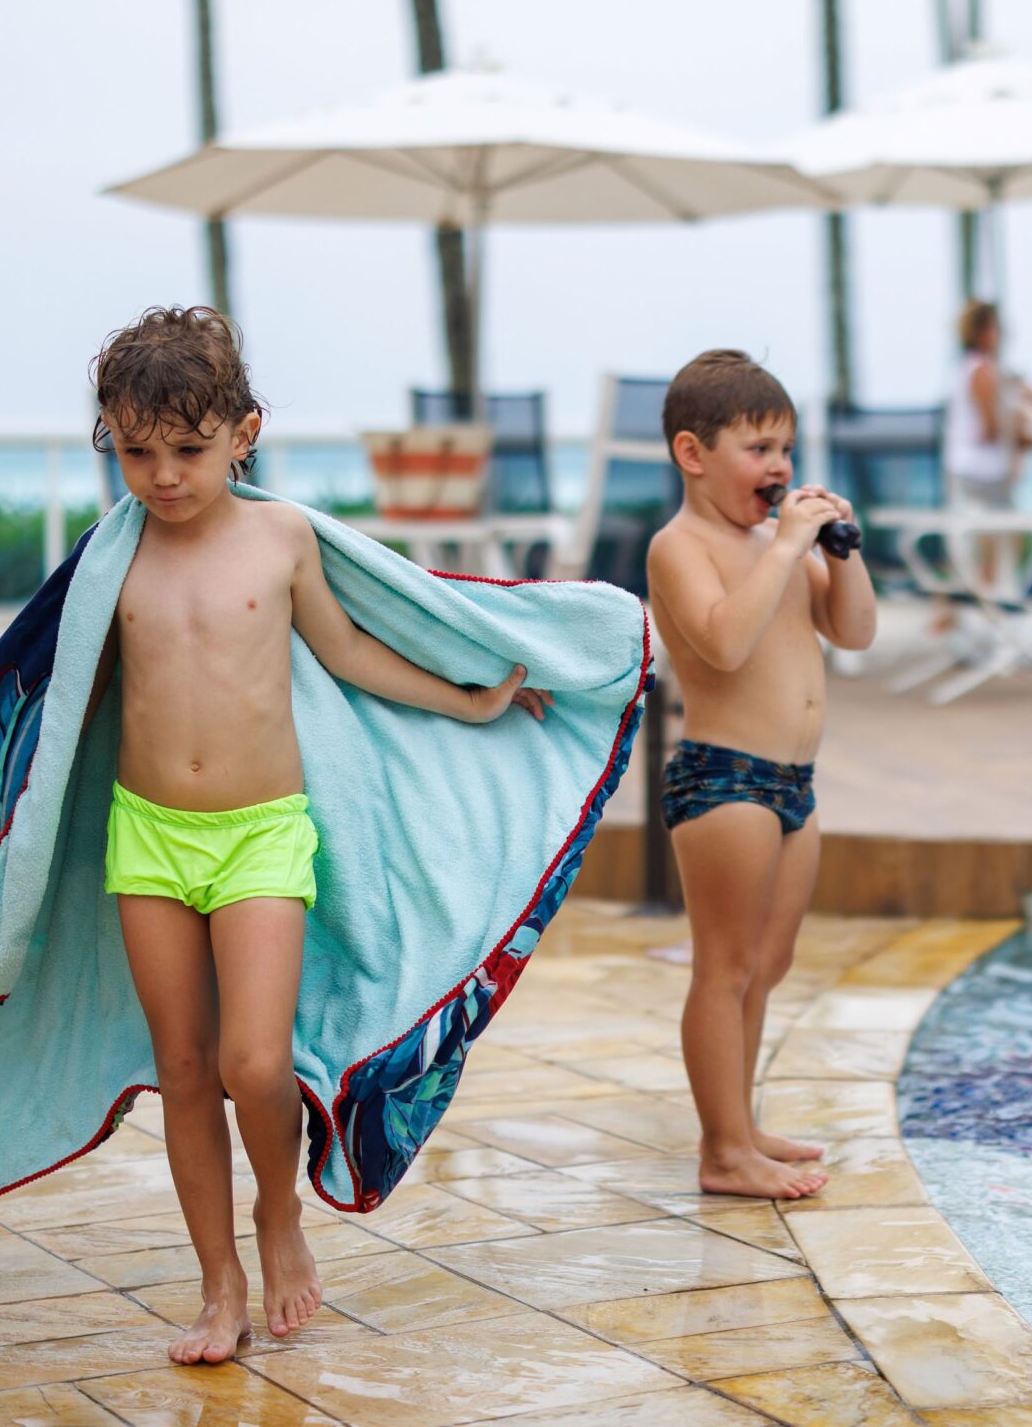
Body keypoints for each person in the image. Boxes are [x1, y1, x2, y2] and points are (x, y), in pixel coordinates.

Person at [90, 307, 551, 1364]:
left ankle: (278, 1210)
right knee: (184, 1067)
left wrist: (468, 699)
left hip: (261, 833)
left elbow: (347, 653)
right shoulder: (111, 560)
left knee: (256, 1063)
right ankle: (217, 1286)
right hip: (147, 837)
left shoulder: (281, 539)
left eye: (189, 449)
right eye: (136, 453)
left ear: (244, 433)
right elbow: (62, 691)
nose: (164, 476)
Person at [646, 350, 876, 1200]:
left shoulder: (775, 545)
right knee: (726, 967)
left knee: (769, 964)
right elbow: (723, 642)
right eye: (757, 448)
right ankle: (721, 1151)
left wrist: (841, 552)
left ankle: (740, 1126)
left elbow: (854, 632)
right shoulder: (681, 546)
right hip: (724, 782)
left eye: (785, 448)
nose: (778, 466)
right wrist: (784, 548)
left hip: (792, 785)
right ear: (693, 453)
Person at [942, 301, 1032, 608]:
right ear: (983, 332)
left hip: (975, 470)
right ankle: (986, 606)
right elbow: (989, 428)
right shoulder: (980, 371)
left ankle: (976, 606)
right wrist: (1022, 434)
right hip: (982, 472)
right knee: (995, 542)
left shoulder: (978, 369)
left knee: (987, 543)